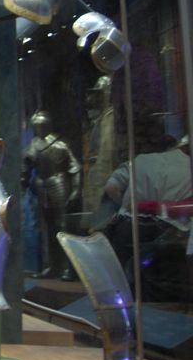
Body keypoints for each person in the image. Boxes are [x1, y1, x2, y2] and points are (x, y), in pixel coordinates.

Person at [100, 135, 191, 302]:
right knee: (156, 295)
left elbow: (111, 187)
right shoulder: (189, 166)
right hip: (167, 234)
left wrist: (126, 206)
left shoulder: (140, 160)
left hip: (127, 228)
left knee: (124, 290)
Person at [20, 110, 80, 279]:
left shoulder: (61, 144)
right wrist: (23, 183)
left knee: (64, 227)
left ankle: (70, 268)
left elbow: (75, 168)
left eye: (42, 126)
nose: (40, 129)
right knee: (48, 229)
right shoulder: (33, 145)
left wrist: (75, 189)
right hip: (42, 186)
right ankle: (53, 266)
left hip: (59, 183)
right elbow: (26, 168)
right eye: (37, 127)